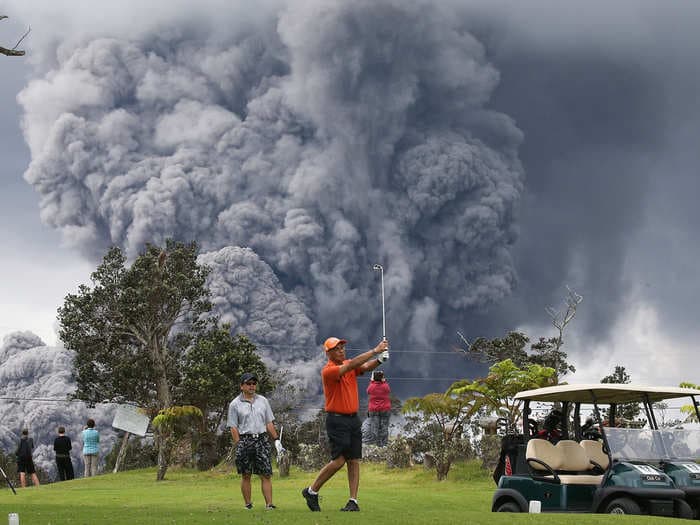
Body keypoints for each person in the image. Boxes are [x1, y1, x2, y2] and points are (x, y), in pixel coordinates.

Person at [302, 337, 389, 512]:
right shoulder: (329, 371)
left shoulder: (349, 364)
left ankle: (353, 501)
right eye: (337, 349)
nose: (341, 350)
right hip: (337, 419)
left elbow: (363, 367)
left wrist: (379, 360)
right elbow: (350, 366)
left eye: (342, 347)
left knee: (353, 459)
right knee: (339, 461)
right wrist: (375, 350)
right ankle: (312, 491)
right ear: (328, 353)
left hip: (353, 419)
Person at [228, 372, 284, 510]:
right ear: (242, 386)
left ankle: (269, 504)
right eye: (248, 384)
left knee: (265, 473)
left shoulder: (263, 400)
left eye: (254, 384)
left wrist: (276, 439)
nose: (252, 386)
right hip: (245, 440)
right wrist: (238, 444)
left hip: (261, 439)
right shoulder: (235, 404)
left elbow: (268, 422)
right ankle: (248, 504)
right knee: (246, 474)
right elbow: (233, 427)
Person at [366, 370, 391, 446]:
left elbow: (368, 391)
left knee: (374, 427)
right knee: (384, 427)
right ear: (382, 378)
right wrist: (384, 381)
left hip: (373, 410)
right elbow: (388, 391)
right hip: (384, 409)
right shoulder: (385, 386)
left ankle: (374, 445)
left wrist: (371, 381)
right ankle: (384, 445)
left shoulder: (371, 386)